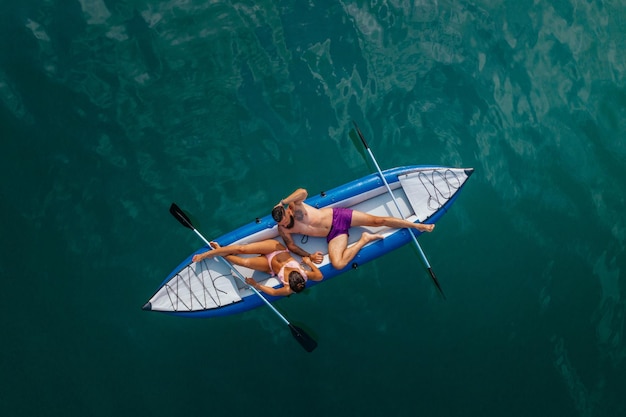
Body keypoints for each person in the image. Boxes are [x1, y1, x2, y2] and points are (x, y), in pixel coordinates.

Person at [271, 188, 435, 270]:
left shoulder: (294, 206)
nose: (284, 224)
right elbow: (291, 246)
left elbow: (303, 192)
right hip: (334, 234)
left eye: (284, 219)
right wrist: (310, 256)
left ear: (286, 211)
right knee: (338, 264)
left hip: (338, 217)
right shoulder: (283, 229)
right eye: (282, 224)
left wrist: (283, 200)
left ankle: (417, 225)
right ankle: (364, 239)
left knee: (379, 221)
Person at [192, 239, 323, 297]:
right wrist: (308, 262)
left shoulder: (289, 288)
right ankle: (207, 254)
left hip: (269, 265)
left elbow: (273, 292)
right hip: (275, 249)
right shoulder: (305, 273)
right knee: (241, 249)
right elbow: (319, 275)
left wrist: (256, 285)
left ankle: (220, 251)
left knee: (245, 262)